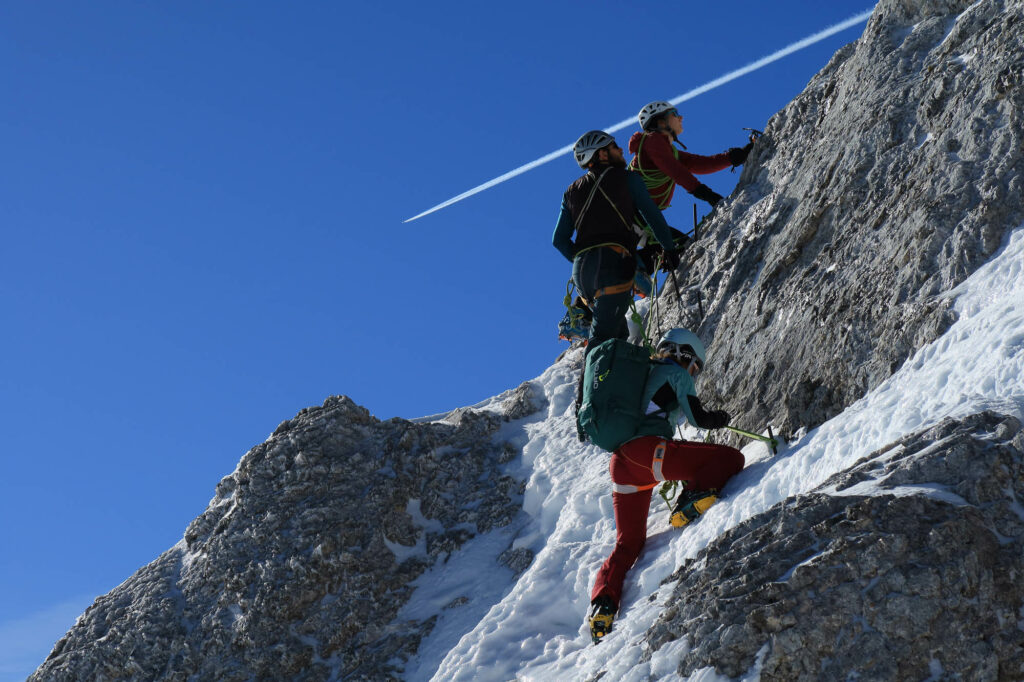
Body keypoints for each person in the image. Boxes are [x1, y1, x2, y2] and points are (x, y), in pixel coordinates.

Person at [588, 328, 745, 644]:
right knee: (731, 458)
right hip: (651, 453)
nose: (694, 374)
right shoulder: (675, 372)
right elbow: (699, 419)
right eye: (696, 366)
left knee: (627, 543)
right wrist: (722, 418)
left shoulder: (643, 373)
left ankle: (602, 604)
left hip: (622, 463)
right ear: (685, 355)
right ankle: (691, 499)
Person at [552, 130, 683, 349]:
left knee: (617, 335)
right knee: (604, 342)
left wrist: (585, 258)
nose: (621, 150)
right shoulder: (627, 178)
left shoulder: (570, 192)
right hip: (614, 263)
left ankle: (584, 319)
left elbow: (559, 240)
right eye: (614, 147)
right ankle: (637, 272)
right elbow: (653, 217)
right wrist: (670, 250)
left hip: (581, 273)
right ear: (602, 154)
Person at [628, 100, 754, 210]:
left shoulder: (665, 150)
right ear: (661, 123)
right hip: (634, 215)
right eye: (674, 114)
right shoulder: (652, 141)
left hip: (635, 215)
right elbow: (676, 170)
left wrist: (735, 156)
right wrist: (706, 194)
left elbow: (698, 163)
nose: (680, 117)